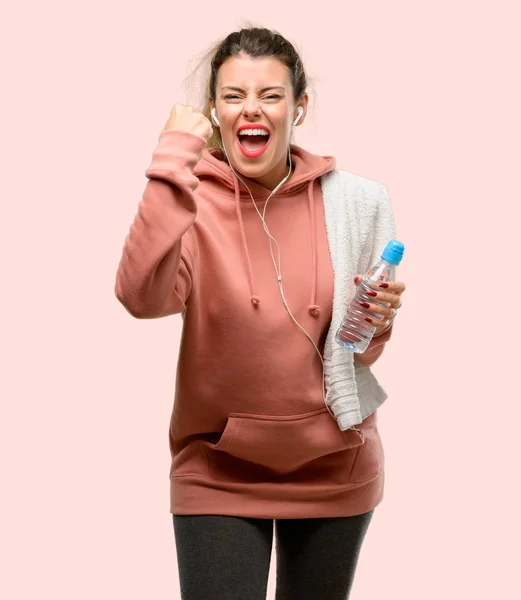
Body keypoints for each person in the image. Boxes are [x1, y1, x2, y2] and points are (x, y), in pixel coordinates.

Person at [114, 25, 406, 600]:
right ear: (214, 110)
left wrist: (379, 321)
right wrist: (173, 155)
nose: (253, 108)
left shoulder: (358, 202)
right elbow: (139, 297)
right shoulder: (186, 199)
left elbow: (355, 353)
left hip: (334, 465)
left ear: (298, 106)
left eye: (271, 95)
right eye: (233, 96)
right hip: (217, 468)